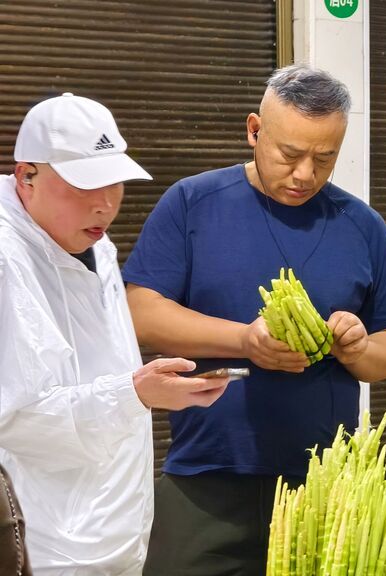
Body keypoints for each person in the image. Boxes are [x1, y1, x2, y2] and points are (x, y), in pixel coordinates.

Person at [122, 64, 386, 575]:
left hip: (327, 486)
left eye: (324, 159)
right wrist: (245, 339)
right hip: (207, 478)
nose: (306, 174)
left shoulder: (361, 225)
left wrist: (357, 348)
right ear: (254, 130)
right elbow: (140, 313)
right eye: (290, 154)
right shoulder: (193, 204)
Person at [0, 93, 229, 573]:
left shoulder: (91, 241)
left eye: (114, 184)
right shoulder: (7, 259)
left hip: (119, 529)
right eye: (85, 186)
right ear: (26, 176)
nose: (105, 204)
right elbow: (15, 423)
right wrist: (134, 395)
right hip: (45, 542)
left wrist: (142, 390)